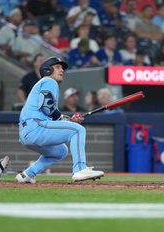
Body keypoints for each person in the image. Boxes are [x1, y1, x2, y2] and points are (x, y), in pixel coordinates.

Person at [16, 56, 104, 184]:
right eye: (57, 67)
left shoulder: (44, 83)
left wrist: (68, 121)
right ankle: (80, 169)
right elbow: (46, 105)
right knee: (78, 130)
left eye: (62, 68)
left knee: (60, 151)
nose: (61, 70)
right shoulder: (48, 81)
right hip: (35, 126)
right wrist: (66, 120)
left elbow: (49, 112)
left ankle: (28, 174)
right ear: (47, 70)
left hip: (27, 132)